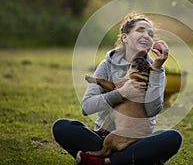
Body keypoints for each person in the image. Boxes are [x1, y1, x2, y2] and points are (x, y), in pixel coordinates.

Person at [52, 12, 182, 165]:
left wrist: (157, 69)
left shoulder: (156, 69)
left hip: (136, 139)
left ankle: (101, 162)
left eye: (151, 33)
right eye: (140, 30)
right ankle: (128, 160)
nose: (147, 35)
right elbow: (87, 107)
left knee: (173, 137)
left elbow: (153, 110)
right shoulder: (106, 65)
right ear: (125, 37)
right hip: (104, 138)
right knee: (62, 126)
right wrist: (121, 93)